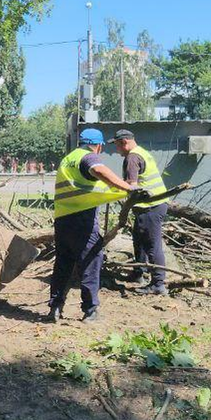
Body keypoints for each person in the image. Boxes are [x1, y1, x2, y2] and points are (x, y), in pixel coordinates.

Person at [49, 128, 134, 323]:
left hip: (62, 219)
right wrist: (128, 188)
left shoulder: (68, 159)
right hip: (82, 220)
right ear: (98, 145)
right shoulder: (88, 157)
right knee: (91, 260)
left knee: (63, 263)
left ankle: (55, 307)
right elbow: (98, 170)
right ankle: (90, 310)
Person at [110, 129, 171, 295]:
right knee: (139, 239)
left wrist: (109, 192)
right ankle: (139, 272)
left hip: (150, 207)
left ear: (124, 142)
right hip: (152, 205)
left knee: (152, 245)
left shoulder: (132, 158)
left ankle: (158, 283)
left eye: (116, 146)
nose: (116, 150)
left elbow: (131, 186)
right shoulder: (141, 152)